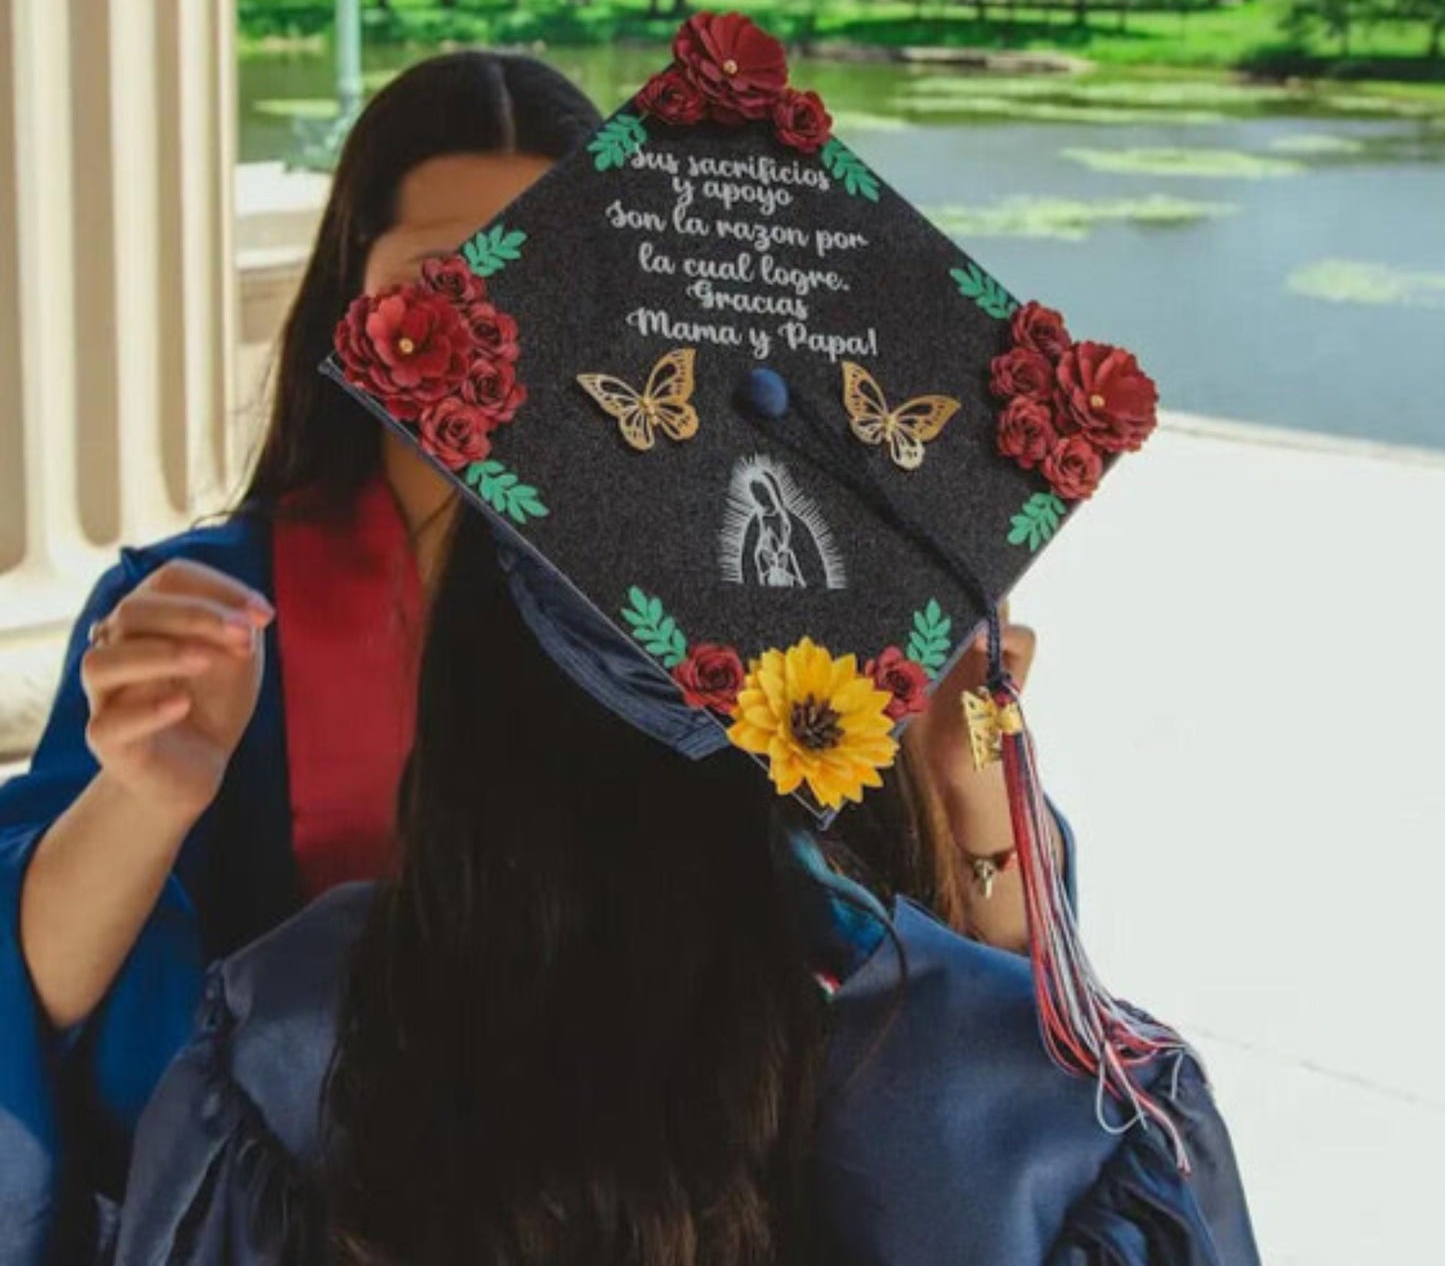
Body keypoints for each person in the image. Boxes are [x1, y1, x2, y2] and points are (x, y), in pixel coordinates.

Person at [0, 52, 1056, 1259]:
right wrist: (144, 797)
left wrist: (979, 792)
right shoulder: (208, 606)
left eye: (544, 277)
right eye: (436, 274)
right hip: (323, 1216)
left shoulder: (746, 589)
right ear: (353, 293)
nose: (483, 323)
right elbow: (37, 1016)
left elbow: (958, 1003)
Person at [115, 501, 1258, 1264]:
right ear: (857, 700)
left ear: (470, 673)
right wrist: (978, 828)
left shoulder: (300, 1028)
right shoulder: (1048, 1118)